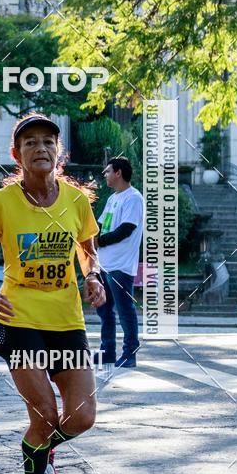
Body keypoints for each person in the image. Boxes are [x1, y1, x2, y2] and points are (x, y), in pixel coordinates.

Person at [0, 114, 105, 474]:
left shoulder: (77, 202)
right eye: (30, 143)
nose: (40, 148)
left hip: (66, 320)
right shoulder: (0, 204)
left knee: (81, 417)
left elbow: (88, 252)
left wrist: (94, 277)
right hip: (19, 317)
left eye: (48, 141)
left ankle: (42, 453)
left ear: (59, 152)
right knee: (44, 413)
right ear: (16, 155)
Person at [95, 157, 144, 369]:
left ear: (118, 173)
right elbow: (100, 225)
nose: (104, 175)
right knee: (104, 311)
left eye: (107, 171)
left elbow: (125, 230)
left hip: (121, 265)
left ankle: (130, 354)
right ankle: (107, 352)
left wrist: (99, 240)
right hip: (104, 263)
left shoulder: (133, 198)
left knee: (125, 310)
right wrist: (91, 239)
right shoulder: (113, 198)